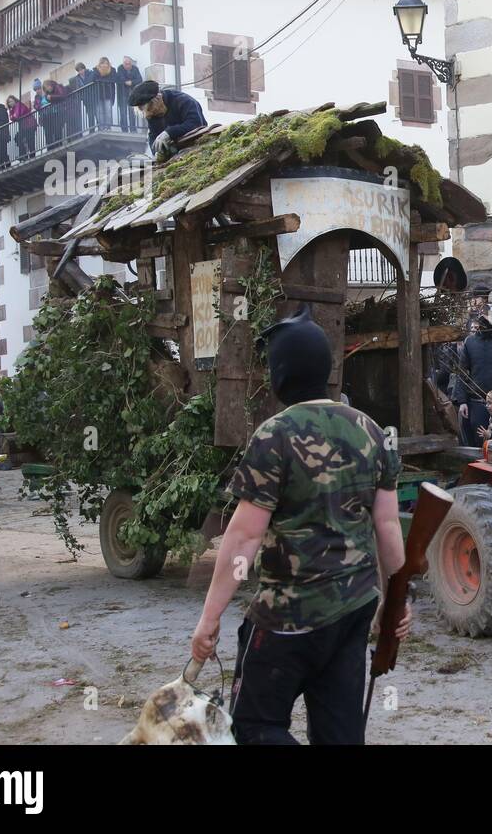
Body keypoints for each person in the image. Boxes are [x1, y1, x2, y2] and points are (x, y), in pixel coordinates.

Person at [189, 307, 407, 744]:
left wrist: (209, 617)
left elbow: (244, 537)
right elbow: (387, 526)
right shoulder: (370, 431)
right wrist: (395, 601)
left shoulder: (275, 435)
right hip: (353, 609)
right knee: (340, 735)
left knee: (254, 727)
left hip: (288, 617)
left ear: (280, 373)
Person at [452, 310, 492, 446]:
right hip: (477, 402)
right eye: (484, 316)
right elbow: (462, 372)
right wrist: (462, 401)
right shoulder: (470, 342)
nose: (487, 320)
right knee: (477, 444)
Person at [128, 79, 208, 163]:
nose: (149, 115)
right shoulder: (151, 114)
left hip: (198, 147)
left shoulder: (184, 101)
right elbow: (153, 136)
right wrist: (156, 152)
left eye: (149, 109)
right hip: (175, 156)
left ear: (156, 99)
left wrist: (169, 133)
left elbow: (196, 124)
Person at [6, 94, 37, 162]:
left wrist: (13, 115)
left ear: (15, 100)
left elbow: (16, 116)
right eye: (9, 102)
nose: (10, 103)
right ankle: (24, 155)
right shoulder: (13, 109)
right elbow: (12, 118)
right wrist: (12, 113)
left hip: (29, 124)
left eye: (11, 101)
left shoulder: (19, 105)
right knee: (19, 138)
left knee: (29, 141)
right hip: (24, 126)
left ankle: (29, 156)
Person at [117, 55, 144, 131]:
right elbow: (120, 78)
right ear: (123, 64)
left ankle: (133, 129)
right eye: (125, 63)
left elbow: (139, 79)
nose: (127, 65)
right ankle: (124, 130)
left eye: (128, 63)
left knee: (132, 113)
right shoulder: (120, 68)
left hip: (132, 95)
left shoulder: (135, 69)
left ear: (131, 63)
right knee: (123, 113)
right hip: (122, 95)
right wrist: (126, 82)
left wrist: (131, 82)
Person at [92, 57, 117, 130]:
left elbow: (114, 79)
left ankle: (108, 127)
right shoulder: (95, 70)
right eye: (103, 63)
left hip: (108, 94)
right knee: (100, 113)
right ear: (100, 64)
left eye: (106, 63)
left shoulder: (112, 70)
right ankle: (101, 127)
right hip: (98, 94)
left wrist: (102, 80)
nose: (105, 65)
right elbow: (93, 80)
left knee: (108, 111)